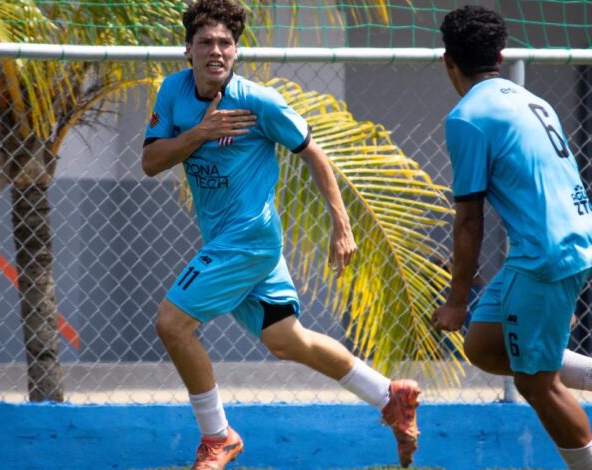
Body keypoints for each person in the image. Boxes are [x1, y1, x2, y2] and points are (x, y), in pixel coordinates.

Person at [141, 1, 419, 468]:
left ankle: (218, 436)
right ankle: (388, 395)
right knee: (286, 340)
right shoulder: (173, 92)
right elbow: (150, 162)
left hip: (250, 238)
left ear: (236, 51)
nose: (216, 51)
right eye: (206, 42)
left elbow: (314, 152)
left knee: (172, 324)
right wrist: (201, 134)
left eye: (226, 43)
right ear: (187, 49)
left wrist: (341, 222)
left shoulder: (258, 101)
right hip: (227, 242)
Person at [430, 6, 592, 469]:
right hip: (566, 241)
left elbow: (469, 219)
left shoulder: (466, 116)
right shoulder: (532, 100)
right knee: (484, 345)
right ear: (501, 57)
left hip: (544, 256)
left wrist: (456, 300)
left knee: (535, 382)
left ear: (449, 61)